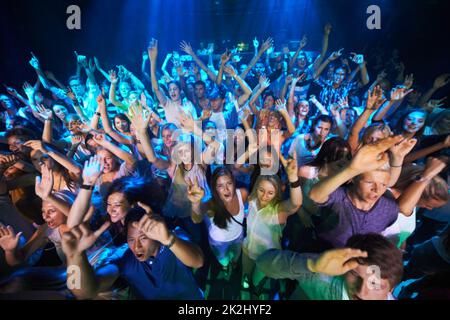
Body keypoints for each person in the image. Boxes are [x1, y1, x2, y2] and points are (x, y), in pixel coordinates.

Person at [309, 136, 444, 249]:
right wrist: (351, 169)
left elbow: (399, 200)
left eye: (383, 185)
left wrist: (397, 159)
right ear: (354, 179)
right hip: (319, 250)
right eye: (369, 182)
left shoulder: (388, 208)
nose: (377, 189)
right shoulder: (340, 197)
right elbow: (315, 194)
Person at [60, 205, 204, 300]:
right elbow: (85, 292)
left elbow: (198, 261)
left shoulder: (173, 238)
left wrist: (168, 238)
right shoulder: (124, 255)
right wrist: (75, 256)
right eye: (131, 239)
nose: (137, 246)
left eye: (143, 238)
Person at [256, 233, 403, 300]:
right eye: (354, 274)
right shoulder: (323, 273)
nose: (361, 292)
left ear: (391, 289)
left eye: (374, 283)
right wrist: (311, 265)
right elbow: (263, 262)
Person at [189, 167, 248, 279]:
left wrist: (245, 212)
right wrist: (195, 203)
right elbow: (196, 219)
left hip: (238, 236)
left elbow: (248, 208)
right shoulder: (210, 204)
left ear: (234, 183)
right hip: (219, 242)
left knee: (236, 256)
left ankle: (235, 265)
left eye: (229, 183)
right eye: (220, 186)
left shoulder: (243, 194)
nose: (226, 189)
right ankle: (225, 268)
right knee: (223, 259)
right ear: (215, 189)